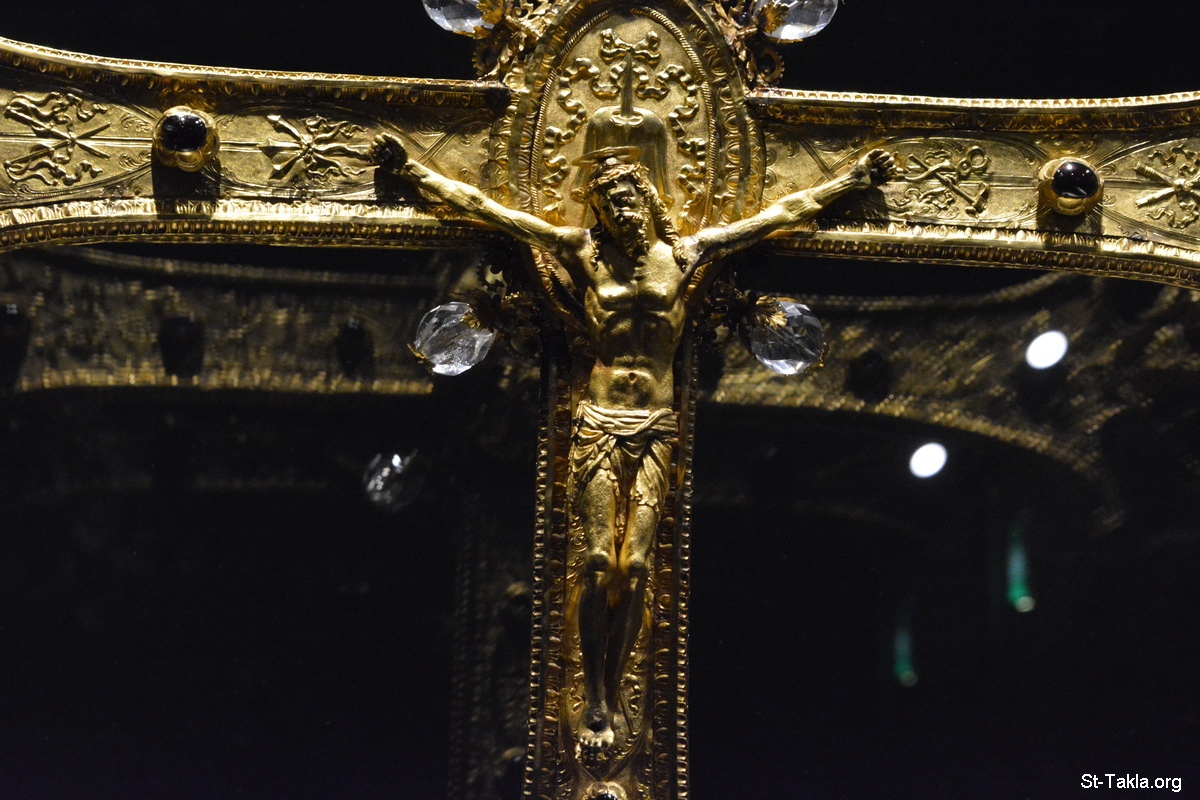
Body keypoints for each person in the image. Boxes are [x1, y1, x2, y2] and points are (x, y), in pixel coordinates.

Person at [371, 134, 896, 760]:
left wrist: (854, 180)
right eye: (608, 202)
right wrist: (415, 174)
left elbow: (782, 212)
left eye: (628, 198)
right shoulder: (580, 252)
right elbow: (490, 210)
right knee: (598, 562)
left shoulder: (689, 253)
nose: (620, 210)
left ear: (648, 200)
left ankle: (615, 692)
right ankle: (595, 693)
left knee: (638, 567)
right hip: (598, 419)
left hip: (655, 423)